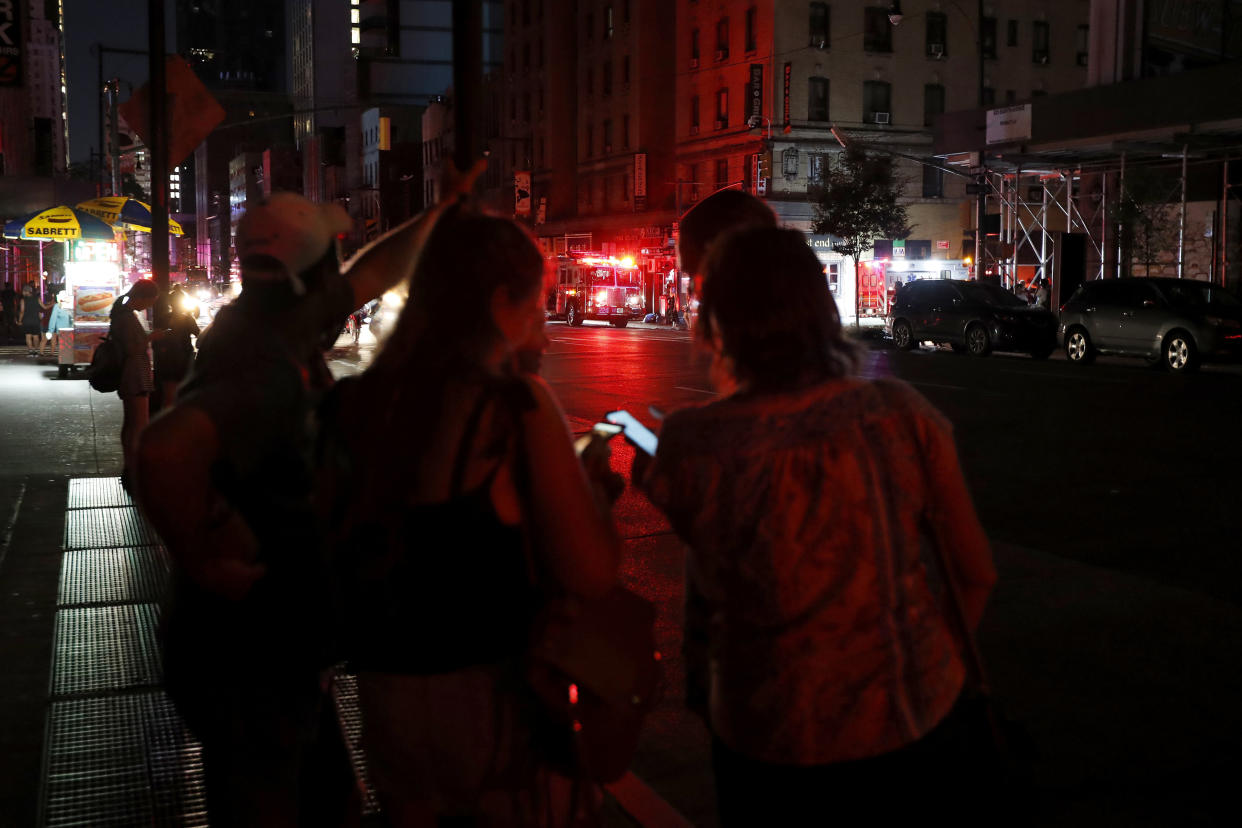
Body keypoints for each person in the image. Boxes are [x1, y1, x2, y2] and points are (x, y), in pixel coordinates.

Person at [134, 183, 473, 826]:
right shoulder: (260, 361)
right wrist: (203, 554)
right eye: (330, 257)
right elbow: (163, 448)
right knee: (263, 802)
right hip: (249, 659)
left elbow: (372, 272)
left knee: (333, 800)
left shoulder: (280, 316)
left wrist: (443, 208)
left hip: (277, 644)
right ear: (311, 270)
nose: (340, 272)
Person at [638, 227, 996, 825]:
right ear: (819, 310)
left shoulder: (691, 445)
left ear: (717, 322)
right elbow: (975, 573)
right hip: (913, 722)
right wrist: (935, 671)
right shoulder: (901, 416)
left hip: (766, 736)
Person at [316, 208, 620, 825]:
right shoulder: (512, 407)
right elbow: (589, 573)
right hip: (493, 707)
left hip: (387, 703)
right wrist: (593, 496)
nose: (542, 318)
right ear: (500, 301)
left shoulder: (353, 404)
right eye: (536, 302)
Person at [111, 280, 164, 488]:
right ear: (142, 297)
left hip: (131, 374)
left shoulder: (122, 314)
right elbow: (132, 349)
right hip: (134, 375)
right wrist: (152, 337)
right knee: (138, 425)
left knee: (131, 424)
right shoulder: (126, 317)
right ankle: (134, 470)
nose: (148, 307)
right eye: (149, 302)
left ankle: (130, 467)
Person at [151, 283, 200, 413]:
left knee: (168, 396)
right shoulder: (187, 318)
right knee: (184, 394)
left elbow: (155, 339)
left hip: (166, 361)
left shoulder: (163, 318)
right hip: (184, 361)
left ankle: (166, 421)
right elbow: (199, 336)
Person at [19, 284, 51, 356]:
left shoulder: (23, 300)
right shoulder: (37, 298)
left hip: (26, 320)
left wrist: (20, 320)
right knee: (36, 336)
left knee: (28, 336)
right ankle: (36, 350)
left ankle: (30, 351)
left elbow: (22, 311)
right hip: (36, 320)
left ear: (25, 291)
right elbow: (45, 307)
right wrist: (52, 304)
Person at [43, 290, 72, 357]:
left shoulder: (63, 306)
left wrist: (50, 330)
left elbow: (53, 319)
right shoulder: (58, 306)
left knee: (65, 347)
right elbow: (53, 319)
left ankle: (66, 360)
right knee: (65, 347)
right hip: (64, 331)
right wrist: (50, 331)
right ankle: (65, 360)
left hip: (67, 331)